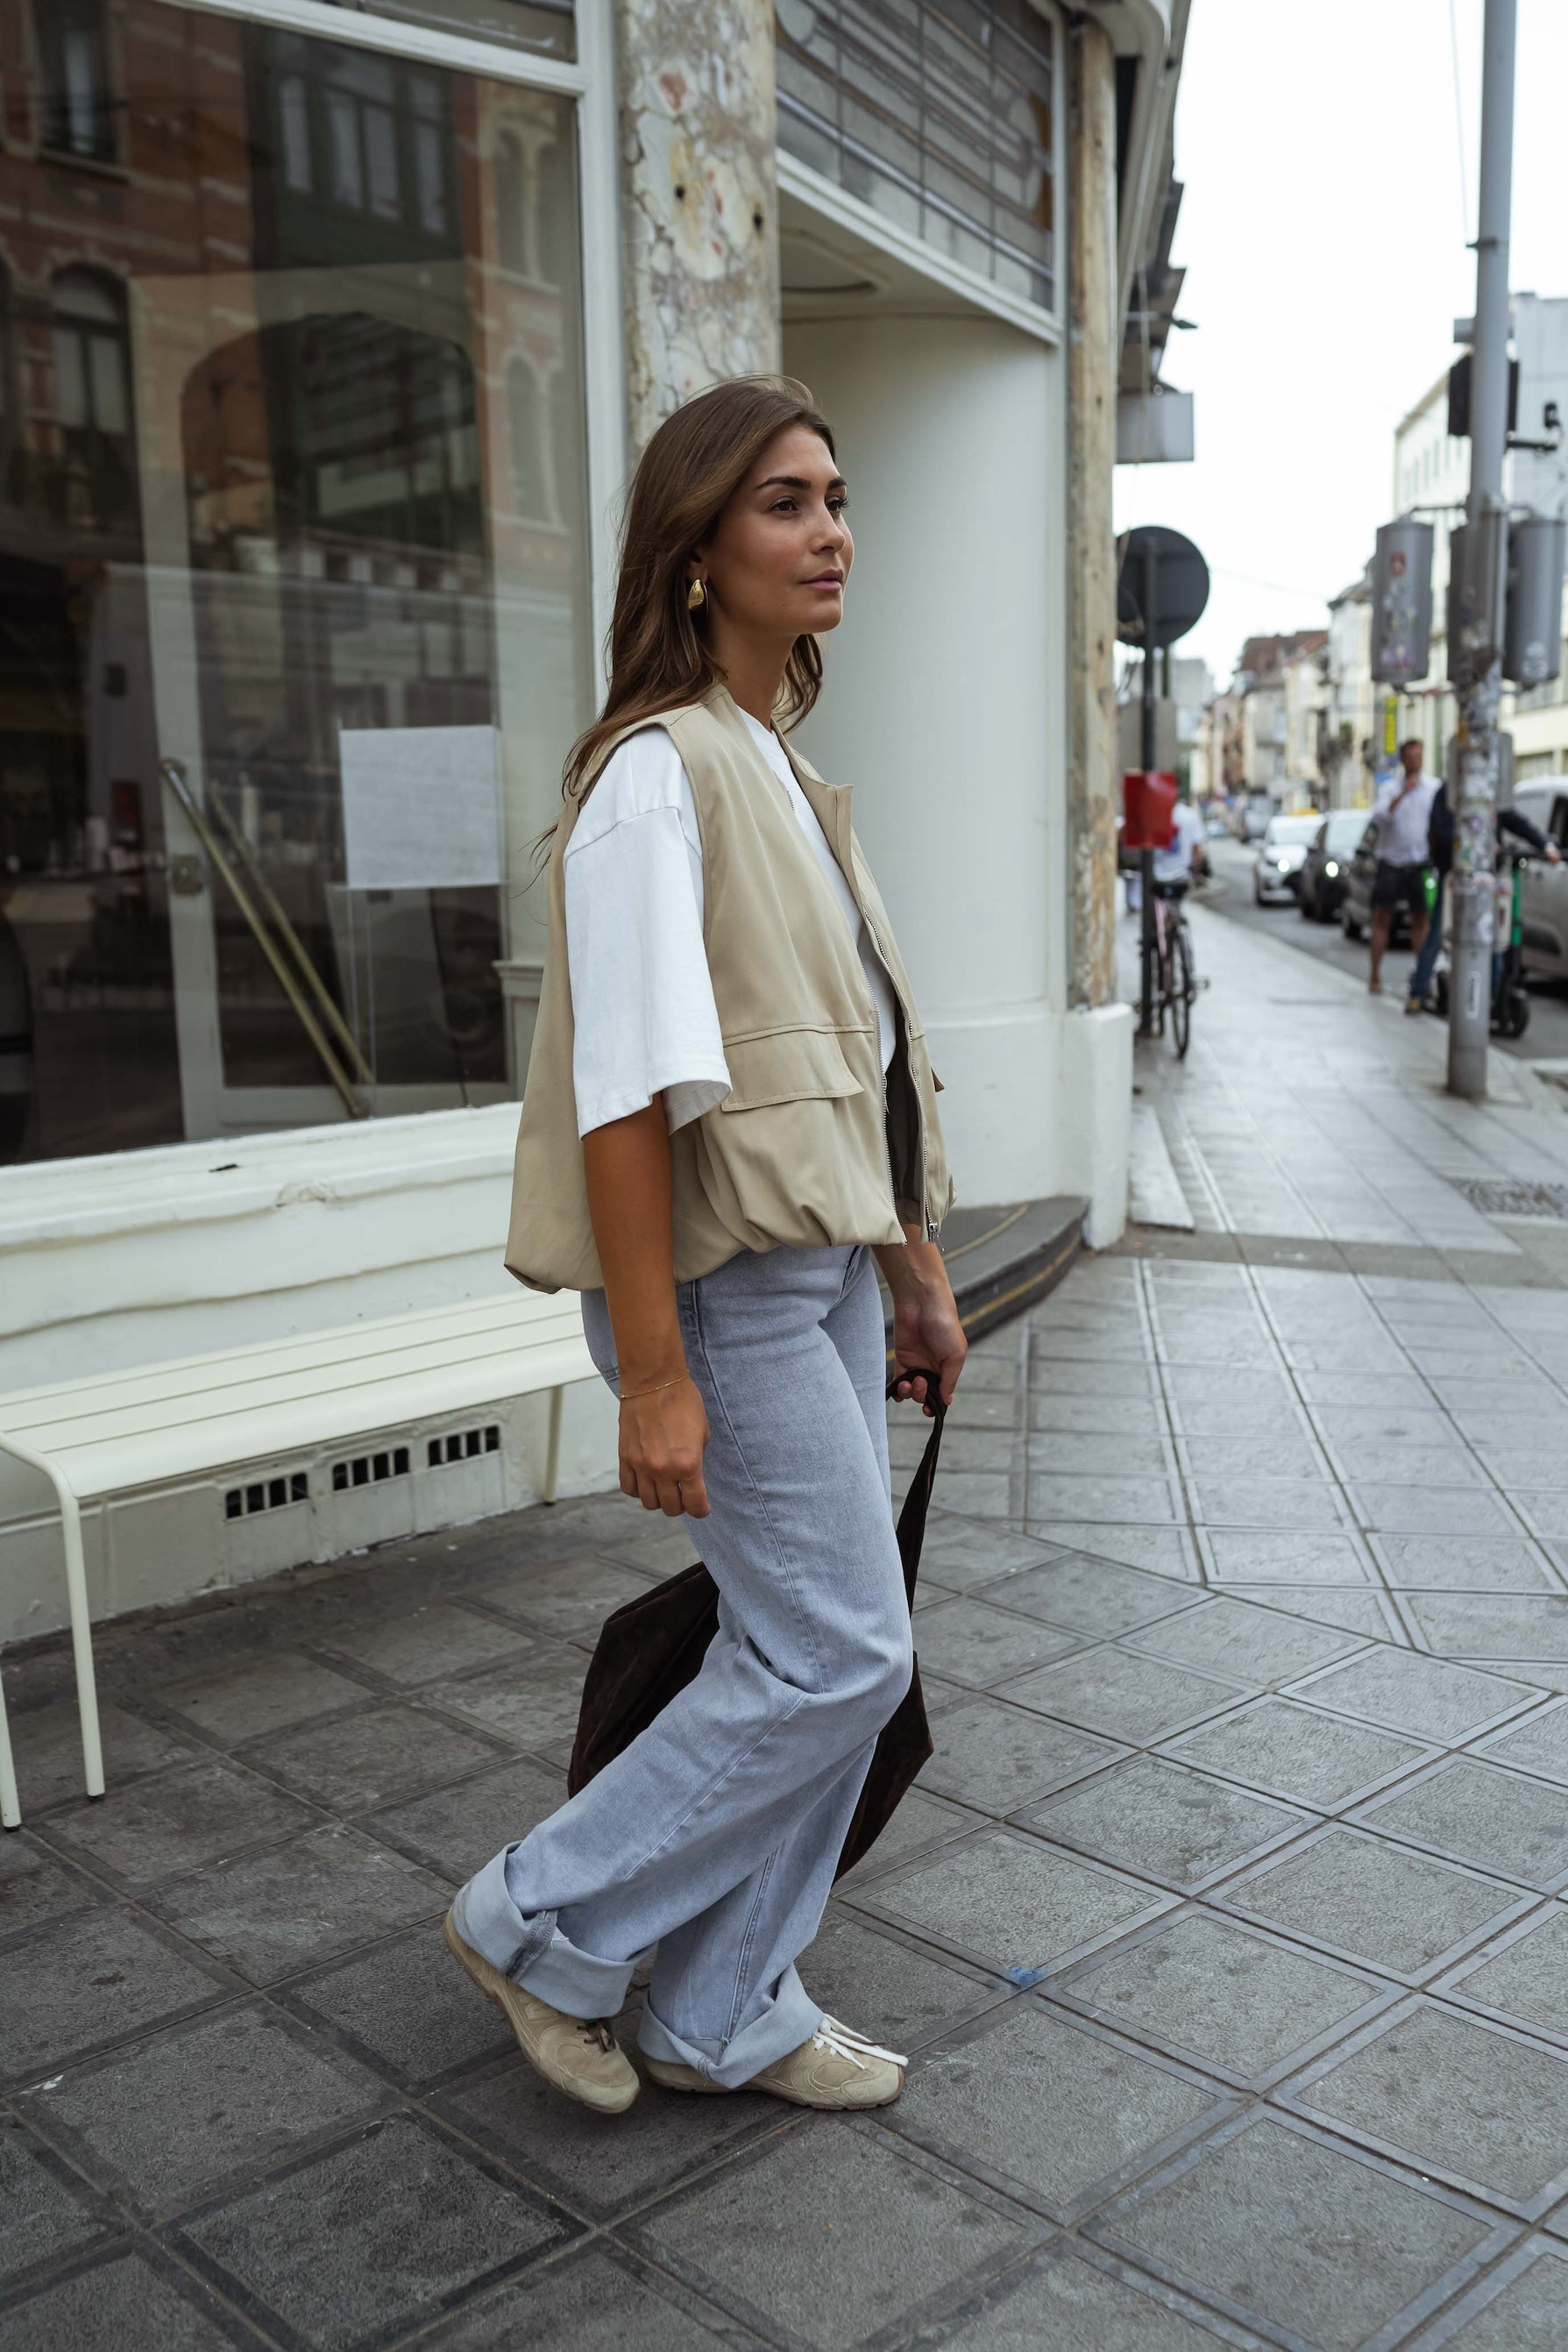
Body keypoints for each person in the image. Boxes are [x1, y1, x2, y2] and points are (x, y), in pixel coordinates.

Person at [442, 378, 964, 2119]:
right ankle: (545, 1922)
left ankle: (721, 2002)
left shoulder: (785, 779)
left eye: (834, 495)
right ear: (694, 553)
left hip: (814, 1276)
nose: (830, 531)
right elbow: (623, 1108)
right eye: (782, 504)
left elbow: (850, 1070)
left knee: (819, 1649)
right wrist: (652, 1373)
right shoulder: (654, 782)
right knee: (837, 1655)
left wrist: (915, 1269)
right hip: (720, 1298)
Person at [1407, 782, 1562, 1013]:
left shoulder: (1491, 791)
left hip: (1489, 878)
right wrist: (1474, 843)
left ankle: (1490, 997)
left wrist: (1543, 844)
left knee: (1494, 938)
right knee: (1439, 933)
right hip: (1455, 878)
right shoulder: (1448, 793)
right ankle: (1418, 994)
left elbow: (1515, 821)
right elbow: (1440, 832)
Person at [1368, 739, 1438, 995]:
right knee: (1382, 918)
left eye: (1419, 756)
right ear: (1402, 759)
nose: (1415, 761)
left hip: (1418, 863)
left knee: (1421, 919)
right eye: (1410, 756)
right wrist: (1403, 793)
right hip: (1391, 862)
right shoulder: (1389, 788)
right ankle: (1375, 975)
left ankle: (1422, 980)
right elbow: (1380, 818)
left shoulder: (1432, 788)